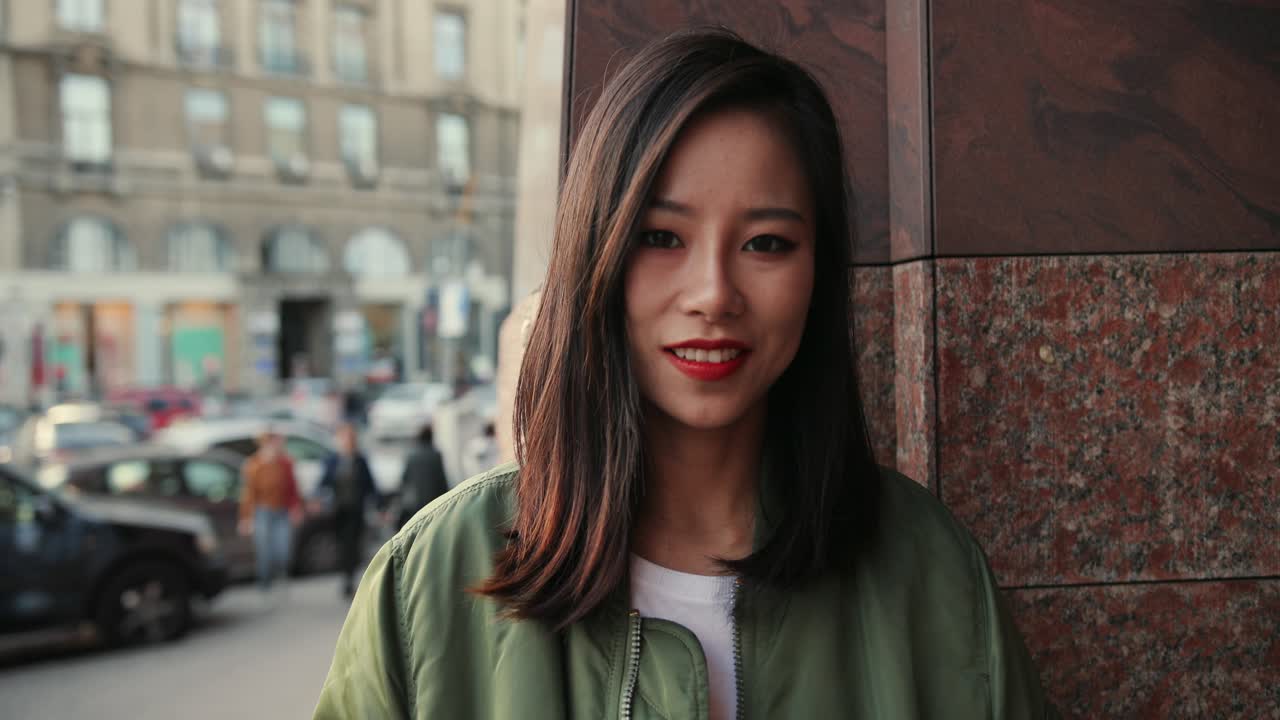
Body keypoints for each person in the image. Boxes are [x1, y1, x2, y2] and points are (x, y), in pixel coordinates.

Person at [315, 29, 1057, 719]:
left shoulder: (931, 573)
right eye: (661, 237)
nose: (712, 294)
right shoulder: (428, 585)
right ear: (594, 258)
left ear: (818, 275)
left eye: (766, 243)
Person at [318, 423, 382, 597]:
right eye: (343, 438)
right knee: (341, 544)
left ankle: (349, 579)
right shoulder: (332, 460)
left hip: (355, 510)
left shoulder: (360, 460)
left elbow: (370, 485)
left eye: (348, 438)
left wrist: (378, 505)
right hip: (339, 511)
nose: (345, 442)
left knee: (353, 544)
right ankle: (345, 575)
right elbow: (323, 483)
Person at [239, 430, 302, 596]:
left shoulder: (285, 463)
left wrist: (295, 508)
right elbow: (249, 494)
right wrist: (246, 518)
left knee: (283, 549)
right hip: (263, 511)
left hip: (281, 511)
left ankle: (282, 576)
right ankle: (264, 584)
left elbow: (293, 489)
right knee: (264, 551)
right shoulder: (254, 464)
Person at [397, 424, 449, 529]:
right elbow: (441, 479)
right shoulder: (436, 455)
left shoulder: (411, 455)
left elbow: (404, 480)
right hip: (433, 499)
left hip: (415, 501)